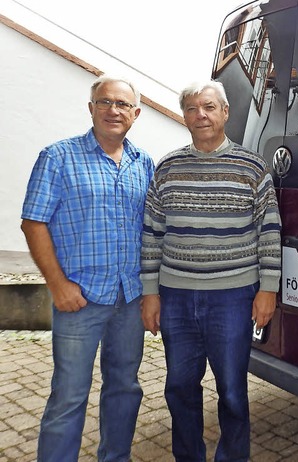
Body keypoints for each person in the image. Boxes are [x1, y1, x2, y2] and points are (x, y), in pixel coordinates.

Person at [140, 80, 282, 462]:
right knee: (180, 387)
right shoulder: (167, 167)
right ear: (184, 115)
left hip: (233, 298)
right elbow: (152, 233)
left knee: (233, 390)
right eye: (191, 108)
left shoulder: (252, 167)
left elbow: (269, 231)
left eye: (208, 107)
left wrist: (268, 289)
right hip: (176, 298)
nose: (199, 114)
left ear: (225, 113)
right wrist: (150, 292)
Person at [20, 74, 155, 462]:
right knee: (69, 395)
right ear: (91, 107)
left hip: (128, 300)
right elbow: (33, 222)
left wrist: (150, 291)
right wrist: (57, 284)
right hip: (79, 299)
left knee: (124, 388)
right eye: (105, 102)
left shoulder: (142, 162)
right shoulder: (58, 157)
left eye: (123, 105)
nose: (114, 110)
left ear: (136, 113)